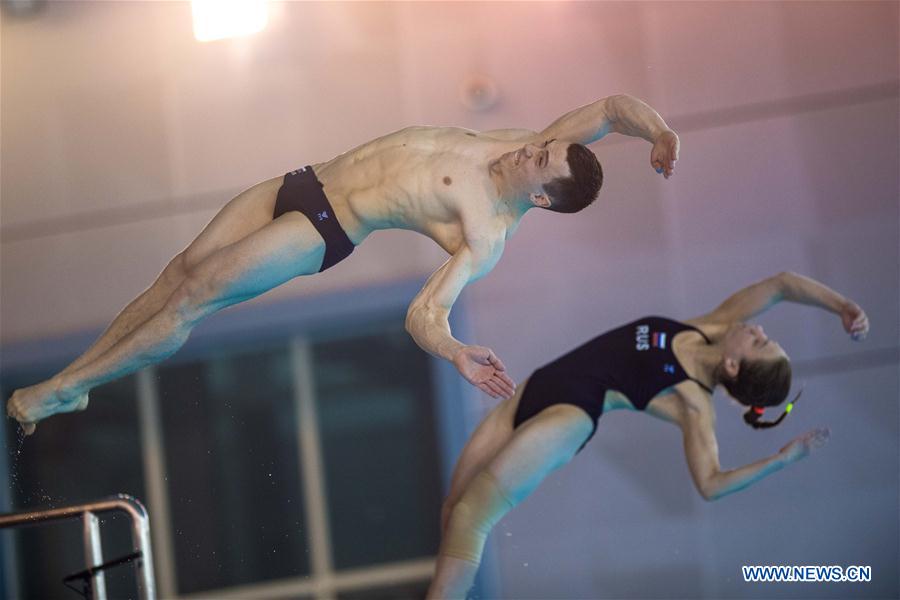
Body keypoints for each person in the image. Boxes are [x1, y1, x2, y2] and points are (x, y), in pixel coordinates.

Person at [7, 94, 680, 434]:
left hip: (325, 227)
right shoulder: (522, 144)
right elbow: (615, 109)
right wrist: (661, 132)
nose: (529, 149)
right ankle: (82, 379)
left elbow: (425, 312)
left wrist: (452, 351)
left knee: (196, 298)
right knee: (175, 274)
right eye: (539, 148)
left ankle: (66, 388)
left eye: (537, 161)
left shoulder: (485, 233)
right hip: (303, 180)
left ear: (539, 194)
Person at [427, 271, 869, 599]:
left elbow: (711, 484)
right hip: (533, 389)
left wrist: (783, 459)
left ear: (733, 367)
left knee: (472, 515)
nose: (758, 329)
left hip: (570, 414)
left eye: (759, 343)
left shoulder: (694, 404)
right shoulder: (712, 326)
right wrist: (843, 305)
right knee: (453, 510)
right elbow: (783, 285)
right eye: (765, 335)